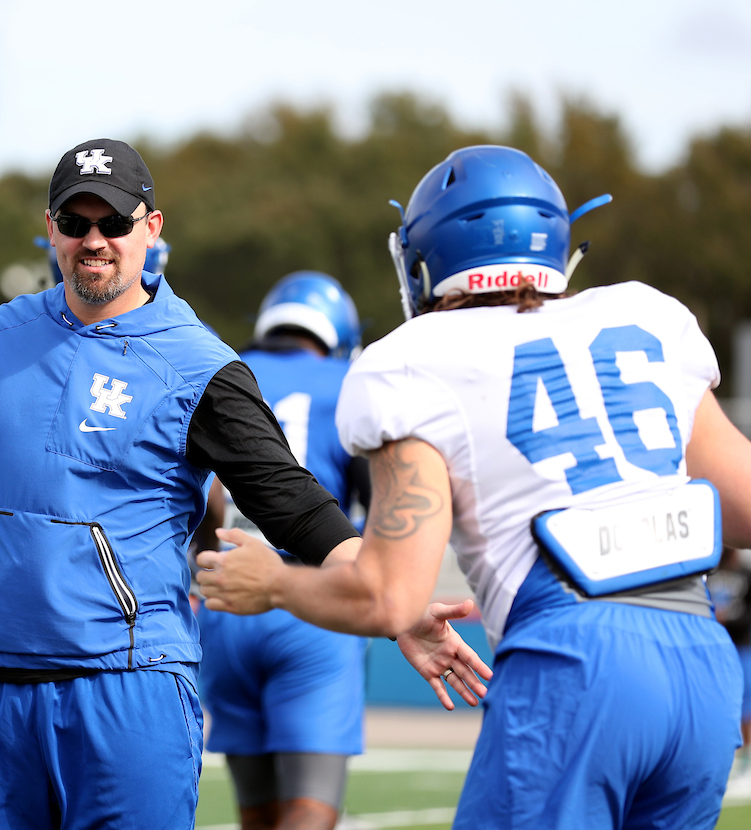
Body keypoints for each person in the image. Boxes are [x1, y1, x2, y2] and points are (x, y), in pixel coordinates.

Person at [0, 138, 485, 829]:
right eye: (76, 222)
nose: (94, 240)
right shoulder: (0, 332)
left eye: (114, 223)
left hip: (128, 692)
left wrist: (399, 606)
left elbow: (297, 507)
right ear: (51, 227)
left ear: (151, 228)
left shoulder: (200, 364)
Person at [197, 144, 745, 829]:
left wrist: (273, 585)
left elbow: (387, 596)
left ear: (425, 259)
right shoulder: (647, 317)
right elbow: (744, 507)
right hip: (701, 663)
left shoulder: (414, 361)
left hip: (574, 662)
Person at [199, 271, 375, 830]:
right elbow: (377, 509)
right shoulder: (349, 381)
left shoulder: (216, 366)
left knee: (258, 814)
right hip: (311, 604)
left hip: (225, 601)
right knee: (308, 810)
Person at [711, 546, 751, 774]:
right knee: (720, 698)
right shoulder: (711, 573)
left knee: (746, 701)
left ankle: (746, 753)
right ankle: (727, 754)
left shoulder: (746, 573)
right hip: (715, 644)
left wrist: (730, 617)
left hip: (741, 642)